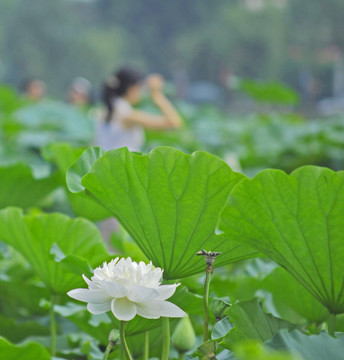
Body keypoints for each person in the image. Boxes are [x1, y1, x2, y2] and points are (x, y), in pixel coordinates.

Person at [96, 67, 183, 152]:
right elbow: (174, 123)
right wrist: (157, 95)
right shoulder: (127, 115)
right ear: (133, 89)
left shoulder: (105, 110)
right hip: (124, 165)